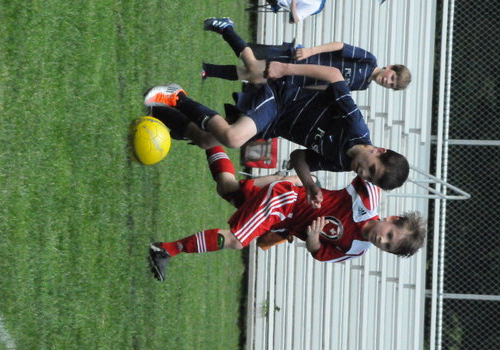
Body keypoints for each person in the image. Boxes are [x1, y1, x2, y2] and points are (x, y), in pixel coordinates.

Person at [148, 145, 426, 281]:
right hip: (286, 200)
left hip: (283, 222)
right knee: (236, 239)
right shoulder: (369, 197)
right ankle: (165, 250)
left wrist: (313, 238)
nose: (382, 240)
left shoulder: (356, 249)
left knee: (228, 189)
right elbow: (366, 154)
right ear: (392, 219)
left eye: (387, 246)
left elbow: (319, 253)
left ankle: (206, 136)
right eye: (389, 235)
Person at [144, 58, 409, 200]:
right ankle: (176, 96)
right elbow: (334, 75)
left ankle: (157, 111)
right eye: (372, 169)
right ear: (378, 150)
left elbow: (299, 157)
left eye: (369, 178)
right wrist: (286, 68)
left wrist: (309, 185)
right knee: (233, 137)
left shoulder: (342, 163)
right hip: (282, 99)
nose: (364, 173)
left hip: (274, 125)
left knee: (206, 140)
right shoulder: (355, 127)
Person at [200, 18, 411, 91]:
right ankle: (226, 28)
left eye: (392, 85)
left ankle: (208, 70)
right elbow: (340, 46)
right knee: (254, 68)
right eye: (392, 77)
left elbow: (328, 85)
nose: (388, 82)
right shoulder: (369, 60)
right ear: (391, 67)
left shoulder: (362, 85)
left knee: (253, 76)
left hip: (299, 77)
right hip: (302, 59)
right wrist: (311, 50)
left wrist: (301, 87)